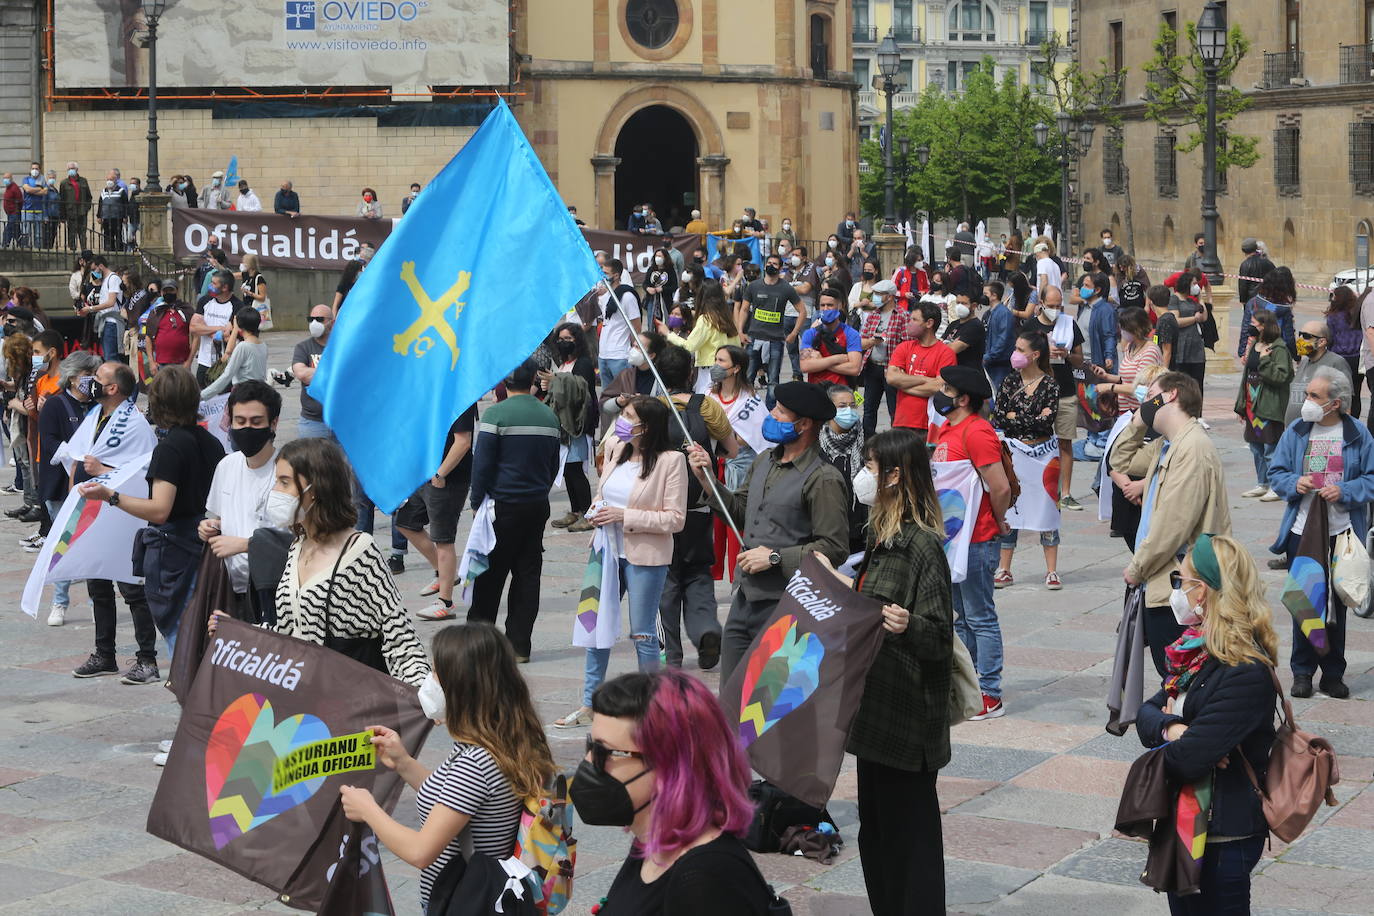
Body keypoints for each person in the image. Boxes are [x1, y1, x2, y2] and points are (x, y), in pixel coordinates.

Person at [339, 623, 553, 916]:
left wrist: (368, 810)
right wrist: (403, 762)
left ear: (462, 686)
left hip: (463, 901)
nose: (429, 681)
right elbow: (458, 801)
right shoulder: (501, 740)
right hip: (488, 894)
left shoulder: (475, 763)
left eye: (436, 672)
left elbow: (420, 851)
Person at [829, 427, 953, 914]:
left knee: (911, 846)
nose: (865, 476)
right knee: (877, 840)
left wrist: (909, 623)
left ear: (896, 475)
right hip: (873, 714)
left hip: (908, 725)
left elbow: (941, 636)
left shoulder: (922, 546)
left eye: (873, 467)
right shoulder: (880, 537)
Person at [205, 435, 428, 684]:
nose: (275, 491)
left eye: (284, 482)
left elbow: (398, 633)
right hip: (309, 706)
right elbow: (288, 633)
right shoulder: (297, 547)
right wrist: (237, 631)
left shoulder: (360, 551)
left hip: (354, 703)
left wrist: (421, 693)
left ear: (316, 489)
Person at [1134, 534, 1279, 914]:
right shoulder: (1193, 651)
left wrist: (1179, 736)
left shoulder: (1246, 670)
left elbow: (1188, 759)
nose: (1177, 591)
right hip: (1183, 826)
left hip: (1222, 837)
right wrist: (1173, 729)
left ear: (1205, 591)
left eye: (1181, 581)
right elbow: (1145, 715)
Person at [686, 381, 849, 681]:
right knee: (731, 698)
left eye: (780, 412)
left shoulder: (823, 478)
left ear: (804, 424)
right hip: (746, 598)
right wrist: (708, 481)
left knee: (768, 707)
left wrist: (775, 557)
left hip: (787, 605)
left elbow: (834, 547)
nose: (771, 414)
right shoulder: (764, 461)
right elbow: (741, 512)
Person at [575, 669, 770, 914]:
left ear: (670, 765)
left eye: (604, 752)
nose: (588, 760)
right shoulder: (651, 842)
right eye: (590, 745)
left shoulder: (706, 878)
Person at [554, 397, 686, 728]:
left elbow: (674, 519)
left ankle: (652, 705)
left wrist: (625, 515)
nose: (621, 422)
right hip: (605, 551)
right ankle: (589, 703)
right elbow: (604, 493)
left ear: (648, 426)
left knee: (642, 632)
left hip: (645, 555)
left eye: (628, 417)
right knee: (594, 627)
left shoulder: (671, 461)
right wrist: (596, 510)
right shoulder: (616, 446)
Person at [78, 367, 225, 653]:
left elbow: (160, 510)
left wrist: (111, 496)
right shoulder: (211, 442)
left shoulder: (170, 448)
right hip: (208, 546)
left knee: (182, 644)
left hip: (177, 554)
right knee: (203, 641)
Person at [1267, 367, 1373, 700]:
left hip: (1342, 532)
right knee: (1305, 600)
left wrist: (1345, 490)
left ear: (1336, 403)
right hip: (1303, 530)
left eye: (1314, 396)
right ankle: (1302, 671)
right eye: (1307, 394)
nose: (1306, 402)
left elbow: (1371, 479)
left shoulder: (1357, 434)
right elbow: (1277, 472)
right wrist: (1292, 484)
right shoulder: (1297, 431)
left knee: (1337, 604)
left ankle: (1333, 673)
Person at [1117, 372, 1231, 677]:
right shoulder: (1167, 445)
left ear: (1170, 396)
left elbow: (1173, 524)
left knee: (1179, 679)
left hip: (1181, 587)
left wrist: (1137, 568)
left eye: (1151, 393)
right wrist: (1139, 422)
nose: (1144, 398)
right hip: (1164, 583)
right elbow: (1118, 460)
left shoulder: (1192, 448)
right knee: (1171, 677)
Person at [66, 361, 161, 682]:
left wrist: (103, 470)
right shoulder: (96, 416)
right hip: (94, 514)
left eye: (99, 378)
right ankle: (104, 654)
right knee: (98, 584)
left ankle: (147, 659)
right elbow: (78, 458)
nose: (90, 382)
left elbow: (144, 472)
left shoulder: (135, 425)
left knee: (132, 589)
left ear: (113, 388)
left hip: (124, 516)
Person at [930, 366, 1013, 717]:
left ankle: (989, 690)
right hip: (952, 538)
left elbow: (1001, 486)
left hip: (977, 538)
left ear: (963, 399)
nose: (941, 392)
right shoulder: (948, 428)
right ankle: (968, 682)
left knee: (980, 616)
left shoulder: (977, 432)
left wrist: (996, 520)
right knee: (960, 617)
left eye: (947, 388)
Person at [468, 359, 560, 661]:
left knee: (490, 577)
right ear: (533, 379)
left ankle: (480, 645)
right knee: (527, 575)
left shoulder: (495, 414)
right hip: (535, 505)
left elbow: (482, 464)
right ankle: (519, 645)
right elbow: (552, 466)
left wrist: (476, 500)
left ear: (503, 382)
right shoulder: (548, 416)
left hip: (501, 507)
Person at [197, 379, 283, 622]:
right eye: (240, 421)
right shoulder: (227, 466)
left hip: (272, 589)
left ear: (273, 423)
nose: (247, 429)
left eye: (256, 422)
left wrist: (246, 544)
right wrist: (208, 528)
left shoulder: (286, 472)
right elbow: (217, 517)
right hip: (230, 588)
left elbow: (298, 540)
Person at [992, 331, 1064, 592]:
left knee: (1047, 509)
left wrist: (1016, 416)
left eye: (1021, 350)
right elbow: (999, 416)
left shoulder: (1050, 385)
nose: (1016, 354)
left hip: (1043, 454)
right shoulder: (1010, 381)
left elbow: (1046, 420)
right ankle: (1005, 568)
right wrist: (1029, 417)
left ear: (1034, 355)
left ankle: (1052, 570)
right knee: (1011, 508)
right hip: (1013, 454)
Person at [398, 400, 478, 622]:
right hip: (426, 473)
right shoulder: (432, 391)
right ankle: (444, 574)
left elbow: (463, 442)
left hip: (448, 478)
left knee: (443, 538)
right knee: (406, 522)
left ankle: (445, 602)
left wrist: (441, 474)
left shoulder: (461, 397)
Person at [37, 351, 100, 630]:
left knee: (91, 545)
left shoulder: (98, 406)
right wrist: (73, 455)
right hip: (61, 486)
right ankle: (59, 602)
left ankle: (97, 601)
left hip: (93, 485)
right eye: (89, 375)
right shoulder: (55, 404)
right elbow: (48, 441)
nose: (92, 381)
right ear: (74, 377)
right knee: (63, 545)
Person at [1022, 286, 1085, 510]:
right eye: (1051, 306)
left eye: (1059, 305)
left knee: (1065, 442)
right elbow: (1019, 358)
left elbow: (1080, 359)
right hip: (1039, 391)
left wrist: (1066, 355)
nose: (1056, 310)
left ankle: (1065, 492)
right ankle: (1038, 488)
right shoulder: (1031, 326)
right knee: (1037, 441)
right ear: (1041, 303)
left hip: (1065, 391)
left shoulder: (1069, 324)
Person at [544, 323, 598, 531]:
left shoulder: (583, 363)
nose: (563, 342)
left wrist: (555, 380)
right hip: (564, 424)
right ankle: (576, 510)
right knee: (567, 469)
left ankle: (586, 512)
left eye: (568, 338)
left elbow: (579, 390)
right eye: (560, 338)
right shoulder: (565, 363)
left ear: (577, 340)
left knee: (575, 470)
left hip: (577, 424)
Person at [1236, 309, 1294, 501]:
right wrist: (1241, 405)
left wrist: (1265, 360)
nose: (1251, 326)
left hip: (1269, 404)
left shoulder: (1278, 349)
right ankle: (1263, 483)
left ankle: (1277, 485)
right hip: (1253, 403)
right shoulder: (1256, 344)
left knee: (1271, 446)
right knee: (1256, 446)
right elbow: (1247, 375)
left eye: (1255, 323)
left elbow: (1282, 376)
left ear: (1265, 326)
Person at [887, 300, 956, 443]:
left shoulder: (946, 353)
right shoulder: (904, 347)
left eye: (914, 320)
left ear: (929, 323)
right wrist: (927, 379)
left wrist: (904, 382)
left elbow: (939, 387)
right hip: (901, 421)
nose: (909, 323)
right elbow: (892, 378)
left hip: (927, 424)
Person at [739, 251, 802, 392]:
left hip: (775, 340)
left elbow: (802, 311)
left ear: (780, 268)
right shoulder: (754, 286)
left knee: (773, 380)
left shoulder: (786, 288)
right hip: (754, 338)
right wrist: (740, 331)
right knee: (748, 377)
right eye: (769, 263)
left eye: (774, 264)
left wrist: (794, 333)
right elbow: (743, 309)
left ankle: (772, 411)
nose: (771, 266)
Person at [661, 280, 740, 392]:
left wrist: (668, 334)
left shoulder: (706, 319)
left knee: (706, 405)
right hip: (729, 370)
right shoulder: (727, 318)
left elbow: (690, 346)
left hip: (709, 372)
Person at [709, 344, 767, 489]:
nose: (716, 364)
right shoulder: (708, 394)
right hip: (711, 464)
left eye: (721, 361)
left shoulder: (750, 400)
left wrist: (724, 437)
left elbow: (757, 436)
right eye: (715, 359)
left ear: (736, 368)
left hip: (740, 467)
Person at [856, 279, 909, 438]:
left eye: (879, 294)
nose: (875, 298)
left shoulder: (902, 316)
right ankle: (867, 443)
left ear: (889, 296)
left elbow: (906, 345)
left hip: (892, 369)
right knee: (869, 409)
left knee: (895, 410)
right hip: (872, 367)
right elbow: (861, 341)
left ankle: (894, 445)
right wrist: (873, 341)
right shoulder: (873, 316)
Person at [819, 383, 867, 553]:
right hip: (827, 526)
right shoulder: (817, 445)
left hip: (858, 526)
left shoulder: (867, 441)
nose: (849, 410)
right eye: (842, 406)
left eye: (852, 405)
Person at [1090, 306, 1163, 412]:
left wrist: (1109, 387)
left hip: (1140, 412)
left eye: (1123, 328)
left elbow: (1140, 389)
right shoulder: (1130, 347)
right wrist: (1106, 376)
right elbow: (1127, 379)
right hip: (1126, 410)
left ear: (1135, 328)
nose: (1121, 331)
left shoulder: (1149, 352)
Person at [1283, 320, 1353, 428]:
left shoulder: (1336, 362)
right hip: (1294, 434)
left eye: (1306, 336)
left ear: (1321, 342)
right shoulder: (1304, 362)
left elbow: (1346, 404)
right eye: (1300, 334)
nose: (1300, 339)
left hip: (1318, 435)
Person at [799, 289, 862, 388]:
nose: (825, 309)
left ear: (840, 306)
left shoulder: (851, 334)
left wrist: (820, 362)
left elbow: (854, 369)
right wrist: (836, 359)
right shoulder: (810, 334)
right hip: (817, 391)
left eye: (830, 305)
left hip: (842, 393)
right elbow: (805, 366)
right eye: (822, 305)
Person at [200, 307, 268, 399]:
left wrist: (202, 395)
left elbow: (227, 375)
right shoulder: (263, 345)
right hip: (260, 393)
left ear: (239, 326)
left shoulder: (243, 347)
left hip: (243, 394)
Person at [190, 269, 242, 388]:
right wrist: (220, 328)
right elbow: (193, 328)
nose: (210, 286)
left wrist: (205, 328)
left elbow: (228, 335)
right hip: (204, 361)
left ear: (224, 287)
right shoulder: (204, 301)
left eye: (214, 283)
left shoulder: (238, 306)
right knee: (201, 398)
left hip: (225, 363)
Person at [597, 258, 645, 386]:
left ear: (616, 275)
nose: (602, 276)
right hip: (603, 354)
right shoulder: (606, 295)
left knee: (623, 394)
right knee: (606, 398)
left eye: (606, 273)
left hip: (620, 355)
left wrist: (635, 349)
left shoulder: (627, 296)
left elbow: (636, 327)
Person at [1153, 283, 1207, 394]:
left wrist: (1161, 374)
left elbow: (1167, 351)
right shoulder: (1166, 318)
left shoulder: (1165, 321)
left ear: (1152, 302)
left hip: (1168, 369)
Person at [291, 304, 335, 439]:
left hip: (340, 422)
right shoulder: (303, 347)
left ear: (332, 323)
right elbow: (302, 374)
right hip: (312, 422)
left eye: (320, 319)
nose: (314, 323)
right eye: (311, 319)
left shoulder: (341, 347)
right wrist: (335, 372)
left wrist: (315, 373)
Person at [1239, 266, 1297, 359]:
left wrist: (1242, 352)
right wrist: (1295, 356)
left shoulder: (1253, 302)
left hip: (1254, 350)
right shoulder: (1284, 309)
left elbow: (1245, 328)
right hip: (1276, 352)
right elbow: (1288, 337)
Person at [1326, 287, 1364, 418]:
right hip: (1358, 358)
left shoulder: (1333, 317)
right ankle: (1355, 421)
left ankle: (1340, 420)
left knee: (1339, 393)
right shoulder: (1357, 314)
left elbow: (1329, 339)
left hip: (1339, 358)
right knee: (1356, 393)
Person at [1075, 271, 1118, 373]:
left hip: (1095, 363)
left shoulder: (1105, 310)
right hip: (1081, 362)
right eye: (1083, 285)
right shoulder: (1084, 307)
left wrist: (1109, 356)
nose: (1082, 288)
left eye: (1086, 286)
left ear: (1097, 290)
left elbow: (1109, 336)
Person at [984, 280, 1017, 400]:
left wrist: (989, 356)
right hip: (991, 361)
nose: (983, 296)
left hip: (1000, 363)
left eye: (985, 293)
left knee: (998, 395)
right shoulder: (989, 313)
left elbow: (1003, 339)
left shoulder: (1004, 314)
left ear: (994, 295)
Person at [940, 288, 986, 371]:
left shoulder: (975, 326)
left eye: (964, 303)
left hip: (967, 374)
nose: (959, 306)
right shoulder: (954, 324)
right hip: (952, 371)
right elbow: (940, 343)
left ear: (974, 306)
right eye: (957, 303)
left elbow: (953, 349)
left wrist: (944, 346)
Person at [59, 162, 92, 250]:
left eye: (73, 168)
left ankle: (84, 251)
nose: (71, 170)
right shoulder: (64, 183)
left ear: (77, 169)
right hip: (70, 212)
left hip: (82, 211)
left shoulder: (83, 181)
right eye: (69, 169)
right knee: (71, 234)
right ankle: (72, 251)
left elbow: (89, 197)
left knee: (82, 233)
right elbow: (62, 200)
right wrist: (62, 215)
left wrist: (86, 208)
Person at [1236, 237, 1276, 306]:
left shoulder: (1245, 264)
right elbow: (1276, 279)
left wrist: (1243, 300)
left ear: (1244, 251)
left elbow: (1243, 284)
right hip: (1267, 298)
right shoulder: (1268, 263)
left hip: (1251, 299)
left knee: (1251, 316)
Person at [238, 252, 270, 328]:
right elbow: (230, 275)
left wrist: (250, 293)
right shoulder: (245, 275)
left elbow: (262, 297)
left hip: (255, 308)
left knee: (252, 329)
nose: (242, 264)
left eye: (244, 262)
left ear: (250, 264)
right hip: (246, 307)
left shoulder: (259, 278)